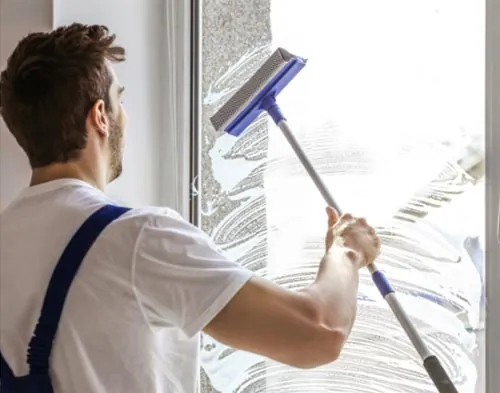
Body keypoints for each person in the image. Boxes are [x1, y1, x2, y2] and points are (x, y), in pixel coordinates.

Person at [0, 23, 380, 392]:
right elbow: (318, 333)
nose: (124, 117)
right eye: (120, 99)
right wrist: (346, 251)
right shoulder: (135, 238)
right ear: (100, 115)